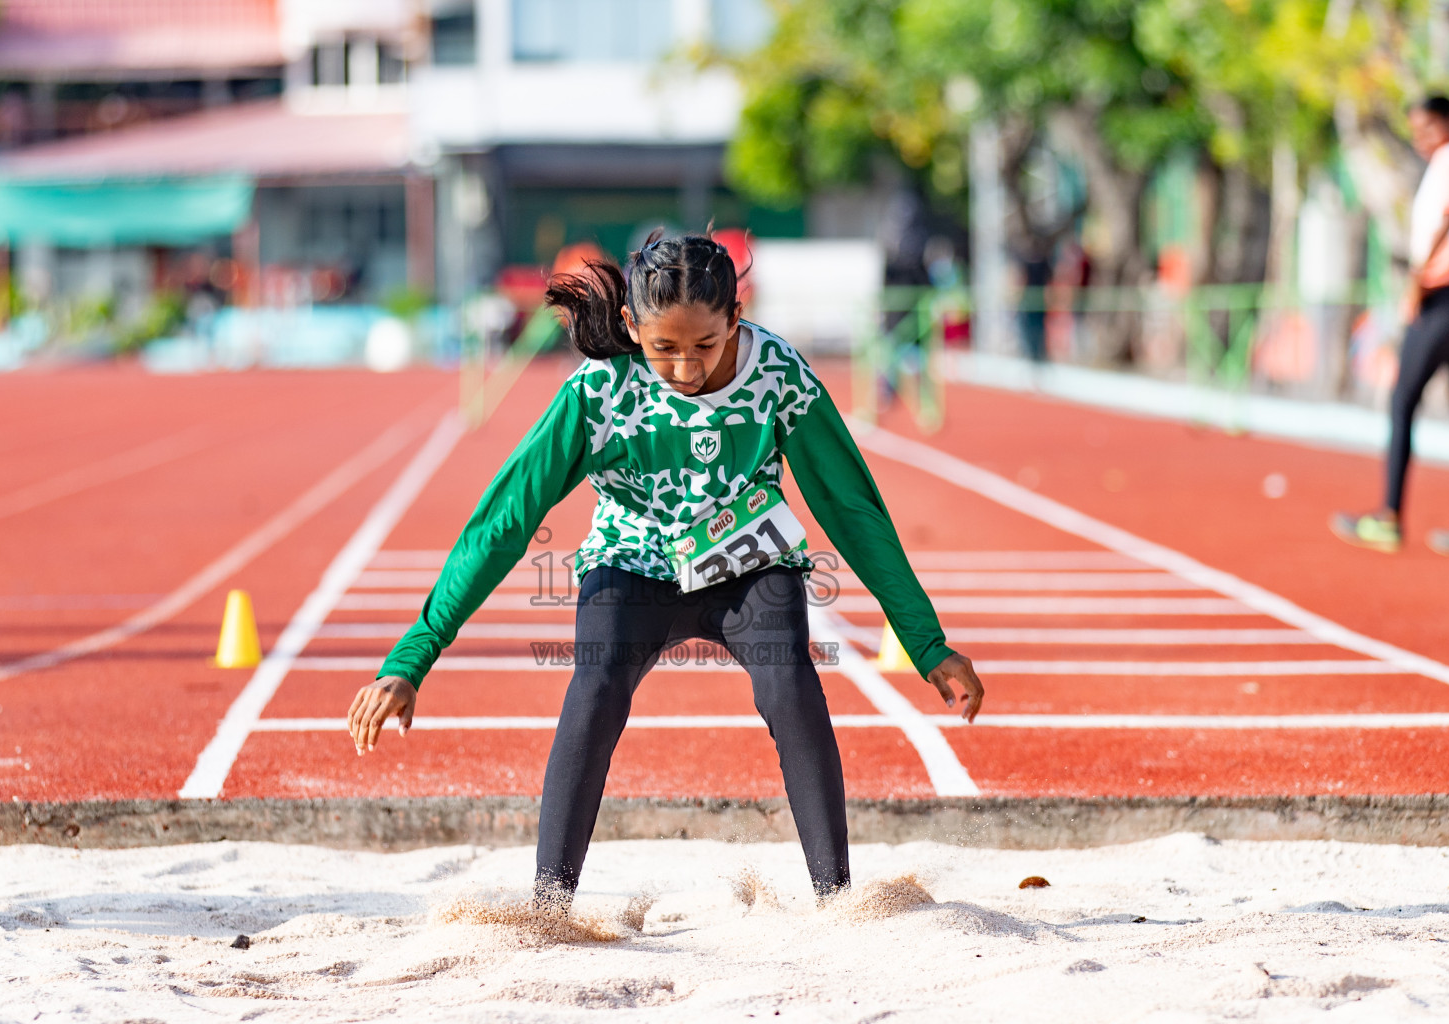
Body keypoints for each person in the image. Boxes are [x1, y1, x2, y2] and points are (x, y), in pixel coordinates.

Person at [345, 230, 985, 907]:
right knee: (594, 687)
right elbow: (506, 519)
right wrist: (410, 659)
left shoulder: (779, 375)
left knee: (790, 683)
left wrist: (926, 643)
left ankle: (836, 898)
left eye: (706, 347)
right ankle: (548, 905)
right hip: (632, 565)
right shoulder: (599, 390)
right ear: (630, 326)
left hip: (750, 567)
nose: (684, 369)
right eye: (663, 349)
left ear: (736, 318)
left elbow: (852, 509)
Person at [1333, 96, 1449, 555]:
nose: (1421, 138)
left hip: (1441, 296)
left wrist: (1419, 281)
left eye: (1429, 127)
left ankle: (1389, 516)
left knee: (1402, 399)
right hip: (1441, 292)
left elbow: (1447, 217)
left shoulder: (1447, 158)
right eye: (1415, 130)